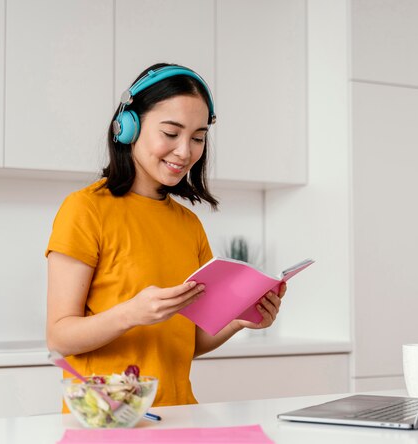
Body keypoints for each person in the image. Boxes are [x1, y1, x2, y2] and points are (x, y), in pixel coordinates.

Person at [45, 63, 287, 408]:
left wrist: (238, 318)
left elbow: (189, 341)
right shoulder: (85, 210)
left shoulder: (189, 225)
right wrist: (132, 313)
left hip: (181, 415)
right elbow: (59, 337)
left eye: (198, 137)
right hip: (109, 421)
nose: (185, 151)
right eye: (171, 134)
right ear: (128, 127)